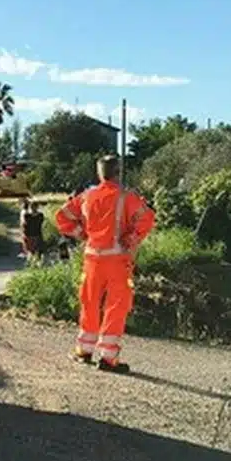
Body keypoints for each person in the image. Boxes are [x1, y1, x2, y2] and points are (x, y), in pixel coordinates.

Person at [54, 155, 156, 374]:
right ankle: (108, 358)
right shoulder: (127, 197)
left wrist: (82, 234)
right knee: (116, 306)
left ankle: (84, 350)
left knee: (89, 302)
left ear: (99, 174)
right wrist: (131, 239)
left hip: (92, 258)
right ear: (118, 172)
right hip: (118, 260)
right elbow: (147, 218)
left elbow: (62, 217)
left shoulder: (86, 196)